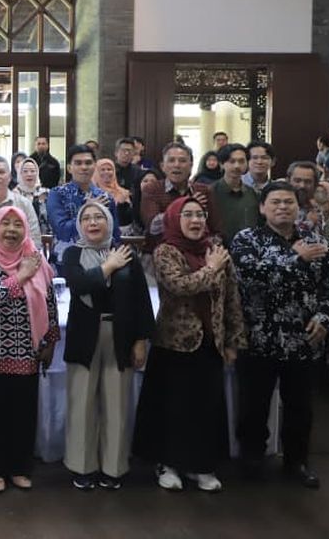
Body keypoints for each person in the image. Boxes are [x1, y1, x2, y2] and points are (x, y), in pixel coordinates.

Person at [232, 181, 329, 489]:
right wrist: (295, 260)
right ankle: (252, 461)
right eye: (275, 202)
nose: (282, 207)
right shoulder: (247, 240)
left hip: (304, 341)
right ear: (262, 208)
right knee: (253, 406)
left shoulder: (315, 241)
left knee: (301, 407)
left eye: (288, 202)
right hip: (258, 338)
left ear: (298, 207)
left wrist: (325, 317)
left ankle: (297, 462)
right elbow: (249, 277)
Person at [133, 197, 244, 493]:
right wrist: (211, 269)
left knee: (205, 407)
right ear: (174, 218)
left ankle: (200, 465)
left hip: (210, 342)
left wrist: (233, 340)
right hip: (174, 344)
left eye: (200, 215)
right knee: (174, 408)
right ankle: (167, 464)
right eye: (188, 215)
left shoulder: (216, 250)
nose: (195, 221)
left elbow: (232, 297)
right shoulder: (165, 250)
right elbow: (180, 285)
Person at [61, 202, 153, 490]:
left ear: (109, 222)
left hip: (121, 334)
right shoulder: (72, 253)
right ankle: (83, 467)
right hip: (84, 336)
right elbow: (79, 285)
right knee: (82, 404)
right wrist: (108, 267)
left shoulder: (127, 253)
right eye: (86, 218)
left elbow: (141, 299)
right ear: (79, 225)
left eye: (98, 217)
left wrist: (141, 340)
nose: (92, 222)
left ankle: (114, 468)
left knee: (117, 404)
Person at [0, 206, 58, 493]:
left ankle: (19, 466)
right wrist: (21, 276)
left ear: (25, 229)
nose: (11, 230)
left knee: (22, 413)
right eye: (5, 223)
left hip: (27, 351)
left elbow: (49, 300)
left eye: (17, 224)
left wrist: (51, 340)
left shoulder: (34, 257)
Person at [46, 145, 119, 262]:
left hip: (101, 260)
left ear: (94, 166)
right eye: (78, 163)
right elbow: (62, 231)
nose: (84, 167)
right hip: (64, 260)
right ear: (69, 168)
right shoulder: (57, 194)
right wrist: (86, 209)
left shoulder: (106, 198)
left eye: (88, 163)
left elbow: (114, 234)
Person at [140, 142, 207, 250]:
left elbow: (214, 227)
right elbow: (153, 227)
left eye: (182, 161)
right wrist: (187, 204)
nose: (177, 165)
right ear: (162, 166)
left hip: (197, 250)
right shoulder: (152, 189)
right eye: (171, 160)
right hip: (160, 249)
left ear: (191, 166)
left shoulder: (202, 190)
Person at [205, 143, 259, 248]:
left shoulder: (252, 193)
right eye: (232, 161)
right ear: (222, 164)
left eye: (241, 161)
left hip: (248, 250)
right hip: (219, 250)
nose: (237, 166)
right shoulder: (210, 192)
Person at [93, 158, 136, 231]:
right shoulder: (92, 193)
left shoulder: (123, 192)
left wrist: (122, 205)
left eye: (109, 169)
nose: (106, 172)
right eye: (102, 170)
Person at [286, 161, 324, 234]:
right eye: (297, 181)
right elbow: (285, 234)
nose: (302, 186)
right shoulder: (280, 207)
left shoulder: (316, 208)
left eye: (308, 182)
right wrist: (310, 223)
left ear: (315, 184)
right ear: (288, 181)